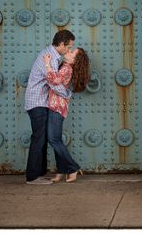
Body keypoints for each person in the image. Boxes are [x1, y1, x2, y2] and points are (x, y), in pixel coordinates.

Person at [23, 30, 75, 184]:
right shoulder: (51, 57)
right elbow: (54, 82)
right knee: (38, 138)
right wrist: (67, 94)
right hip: (37, 102)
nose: (69, 50)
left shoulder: (51, 55)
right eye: (68, 47)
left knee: (43, 138)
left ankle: (39, 173)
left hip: (41, 101)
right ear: (61, 44)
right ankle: (32, 177)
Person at [44, 46, 90, 183]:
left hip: (57, 108)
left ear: (74, 61)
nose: (68, 52)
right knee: (56, 139)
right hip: (56, 107)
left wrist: (47, 63)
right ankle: (61, 171)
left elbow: (54, 80)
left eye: (72, 53)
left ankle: (73, 167)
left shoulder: (67, 68)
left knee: (54, 140)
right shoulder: (65, 67)